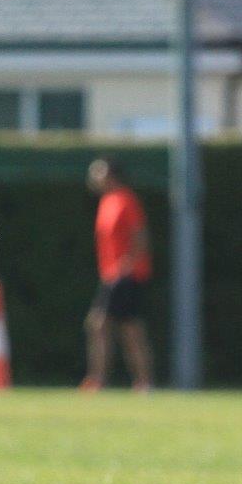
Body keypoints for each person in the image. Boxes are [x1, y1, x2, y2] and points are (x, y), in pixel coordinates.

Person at [80, 157, 154, 393]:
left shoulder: (125, 200)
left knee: (100, 324)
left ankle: (100, 379)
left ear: (111, 175)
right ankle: (140, 382)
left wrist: (127, 266)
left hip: (125, 274)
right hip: (112, 274)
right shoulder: (107, 201)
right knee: (127, 328)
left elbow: (140, 235)